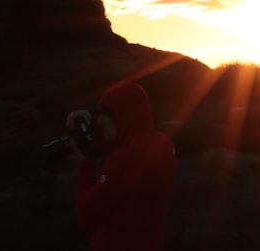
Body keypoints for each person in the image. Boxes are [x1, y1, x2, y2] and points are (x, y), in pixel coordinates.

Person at [66, 80, 177, 251]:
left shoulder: (125, 158)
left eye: (106, 113)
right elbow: (124, 138)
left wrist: (84, 166)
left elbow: (87, 214)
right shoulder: (163, 144)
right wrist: (87, 129)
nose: (100, 120)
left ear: (125, 114)